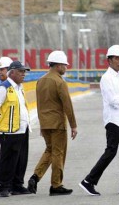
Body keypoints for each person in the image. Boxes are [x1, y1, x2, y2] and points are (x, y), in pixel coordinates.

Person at [79, 45, 119, 196]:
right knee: (111, 151)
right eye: (117, 58)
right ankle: (88, 181)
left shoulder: (118, 76)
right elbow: (113, 101)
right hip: (113, 121)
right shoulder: (106, 78)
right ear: (109, 60)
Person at [27, 50, 77, 196]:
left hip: (44, 123)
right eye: (65, 65)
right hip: (57, 124)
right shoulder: (59, 82)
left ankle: (35, 176)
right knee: (58, 154)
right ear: (58, 66)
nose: (66, 68)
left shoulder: (40, 81)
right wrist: (73, 125)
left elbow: (39, 104)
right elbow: (68, 105)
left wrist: (42, 123)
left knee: (50, 150)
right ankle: (56, 185)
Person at [0, 60, 31, 197]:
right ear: (12, 72)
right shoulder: (4, 88)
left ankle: (17, 185)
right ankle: (4, 187)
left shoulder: (20, 88)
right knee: (8, 160)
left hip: (22, 129)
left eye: (24, 71)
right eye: (21, 71)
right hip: (9, 130)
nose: (23, 74)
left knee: (21, 159)